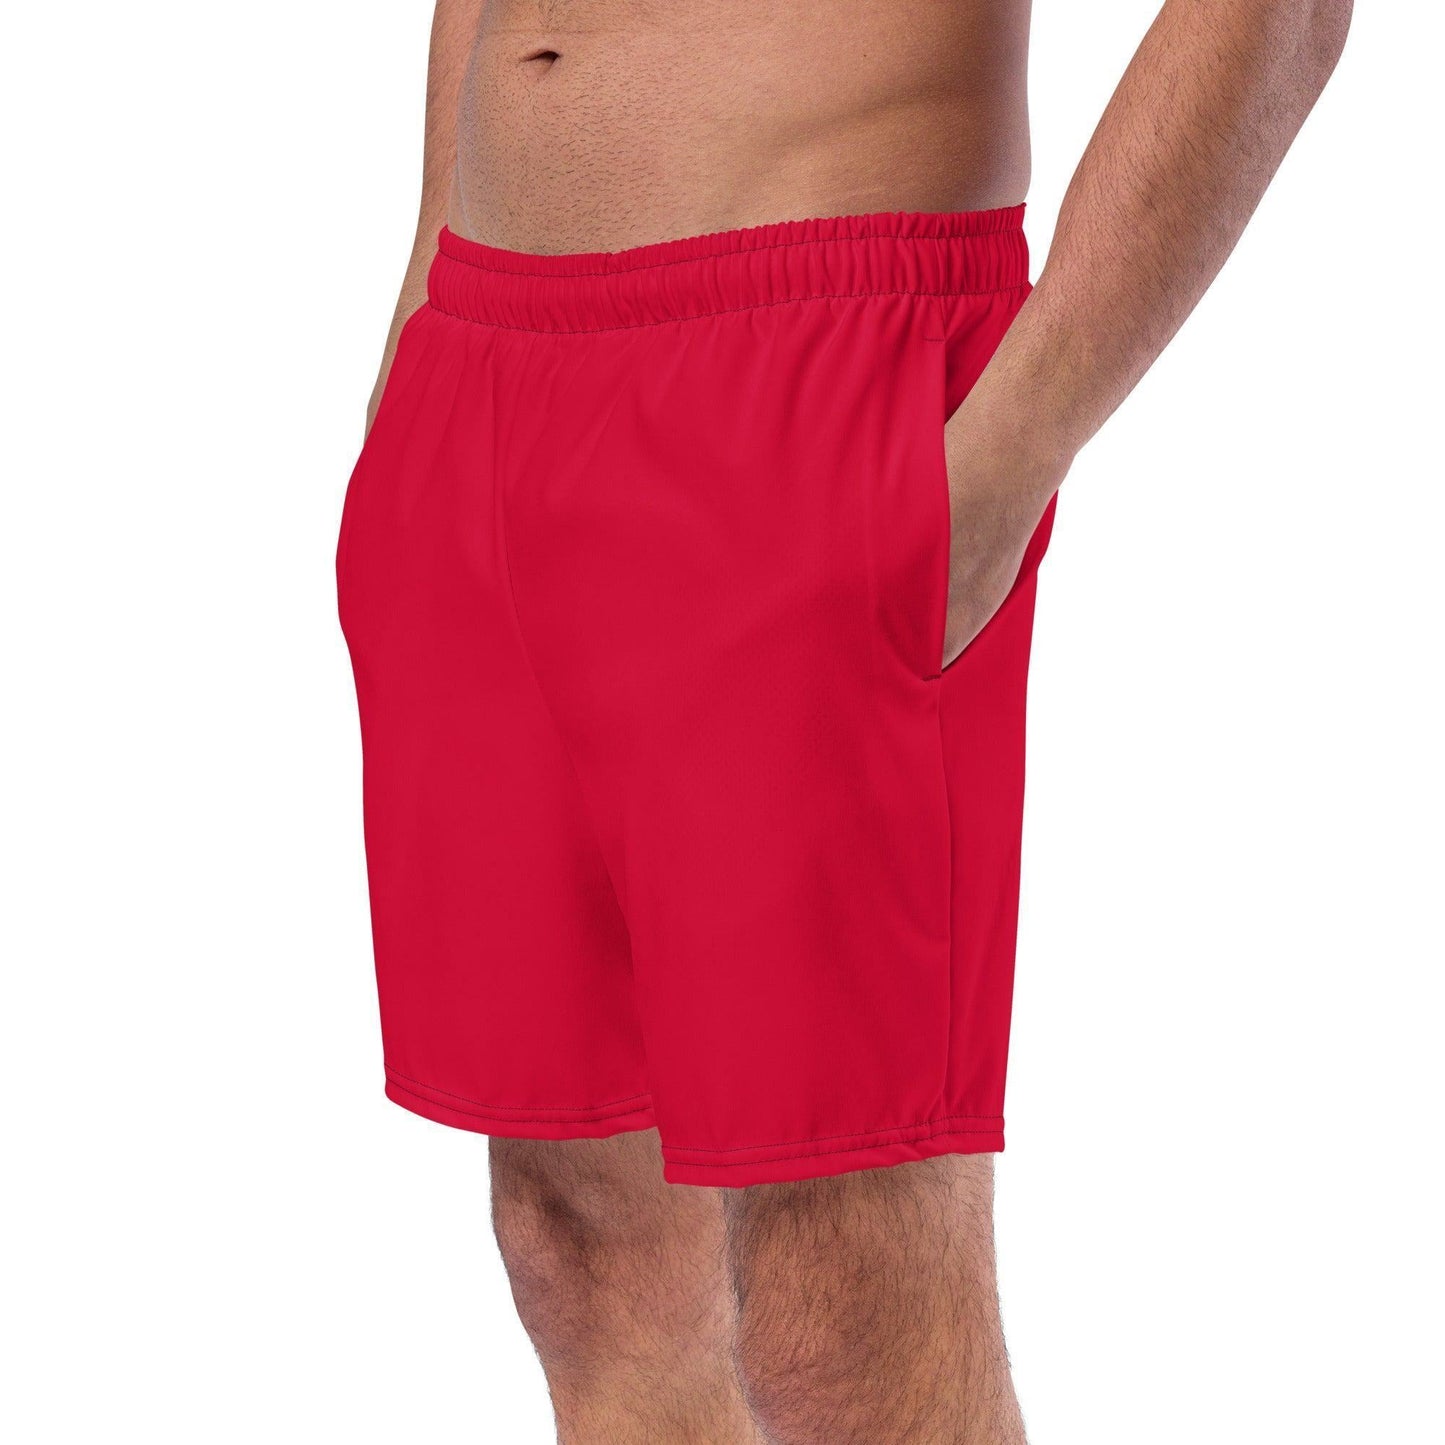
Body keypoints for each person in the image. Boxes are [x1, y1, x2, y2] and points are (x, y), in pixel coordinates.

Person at [337, 2, 1350, 1439]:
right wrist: (419, 324)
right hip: (482, 368)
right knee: (576, 1242)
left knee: (840, 1304)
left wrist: (1004, 459)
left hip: (809, 351)